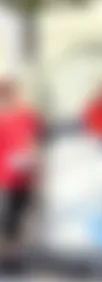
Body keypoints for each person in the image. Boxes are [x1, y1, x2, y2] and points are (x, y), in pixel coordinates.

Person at [0, 79, 41, 271]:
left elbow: (32, 140)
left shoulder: (26, 114)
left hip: (23, 174)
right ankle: (7, 259)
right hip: (4, 176)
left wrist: (32, 162)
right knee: (7, 218)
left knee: (21, 217)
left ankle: (17, 259)